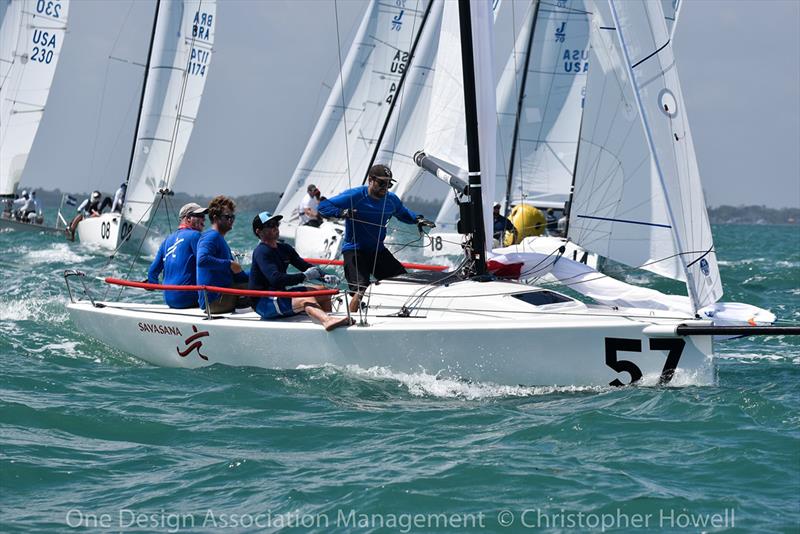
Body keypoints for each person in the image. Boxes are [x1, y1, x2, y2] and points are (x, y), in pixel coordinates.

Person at [318, 163, 434, 312]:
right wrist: (342, 213)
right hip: (355, 251)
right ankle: (350, 320)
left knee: (404, 281)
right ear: (370, 180)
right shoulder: (355, 195)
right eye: (381, 183)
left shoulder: (391, 200)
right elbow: (323, 207)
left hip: (378, 251)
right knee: (361, 288)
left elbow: (402, 213)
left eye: (389, 184)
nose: (385, 187)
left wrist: (417, 219)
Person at [249, 211, 351, 330]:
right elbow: (276, 279)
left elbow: (306, 267)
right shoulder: (261, 252)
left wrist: (325, 276)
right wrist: (304, 276)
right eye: (270, 225)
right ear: (259, 231)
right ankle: (327, 321)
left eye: (276, 223)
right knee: (306, 298)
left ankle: (329, 322)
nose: (275, 227)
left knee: (324, 291)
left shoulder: (285, 249)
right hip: (263, 302)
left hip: (279, 295)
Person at [147, 202, 207, 308]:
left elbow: (152, 272)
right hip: (188, 298)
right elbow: (207, 263)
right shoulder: (196, 236)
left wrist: (152, 283)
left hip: (169, 300)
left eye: (204, 216)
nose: (204, 220)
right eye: (200, 216)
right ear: (188, 218)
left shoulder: (166, 240)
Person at [197, 195, 249, 314]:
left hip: (220, 296)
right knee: (259, 286)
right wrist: (229, 264)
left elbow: (237, 275)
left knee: (259, 279)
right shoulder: (211, 236)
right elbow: (202, 260)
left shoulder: (219, 239)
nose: (231, 220)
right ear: (215, 218)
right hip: (214, 302)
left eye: (232, 217)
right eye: (227, 217)